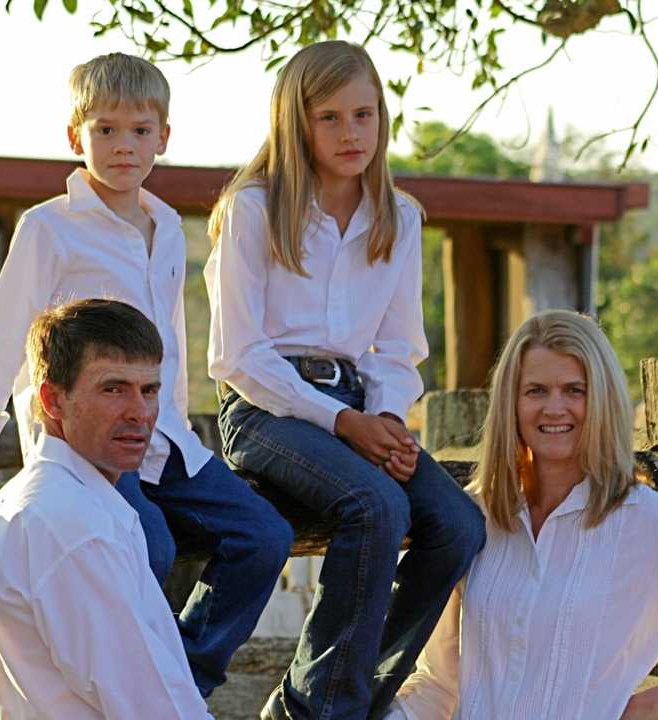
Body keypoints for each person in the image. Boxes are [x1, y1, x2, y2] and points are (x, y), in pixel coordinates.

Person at [0, 52, 292, 697]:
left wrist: (178, 427)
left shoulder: (167, 228)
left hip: (161, 436)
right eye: (104, 130)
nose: (122, 145)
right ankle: (149, 683)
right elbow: (2, 330)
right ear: (76, 137)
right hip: (83, 443)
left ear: (163, 138)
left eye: (138, 130)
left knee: (264, 534)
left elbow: (173, 345)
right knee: (150, 545)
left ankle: (183, 675)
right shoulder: (49, 227)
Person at [204, 40, 486, 720]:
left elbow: (397, 347)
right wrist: (342, 423)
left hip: (361, 405)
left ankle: (343, 699)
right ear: (295, 123)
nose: (351, 132)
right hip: (264, 408)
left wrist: (386, 418)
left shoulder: (399, 215)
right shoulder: (253, 209)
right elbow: (238, 354)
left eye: (364, 114)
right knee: (376, 505)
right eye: (329, 117)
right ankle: (322, 713)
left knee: (458, 524)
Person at [387, 310, 658, 720]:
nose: (554, 408)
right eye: (535, 390)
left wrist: (652, 705)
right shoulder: (474, 515)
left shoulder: (652, 524)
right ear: (510, 403)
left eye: (574, 390)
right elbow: (440, 684)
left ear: (602, 400)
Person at [0, 299, 210, 718]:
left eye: (149, 390)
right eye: (113, 388)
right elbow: (151, 706)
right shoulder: (71, 523)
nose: (139, 412)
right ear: (53, 400)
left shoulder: (56, 500)